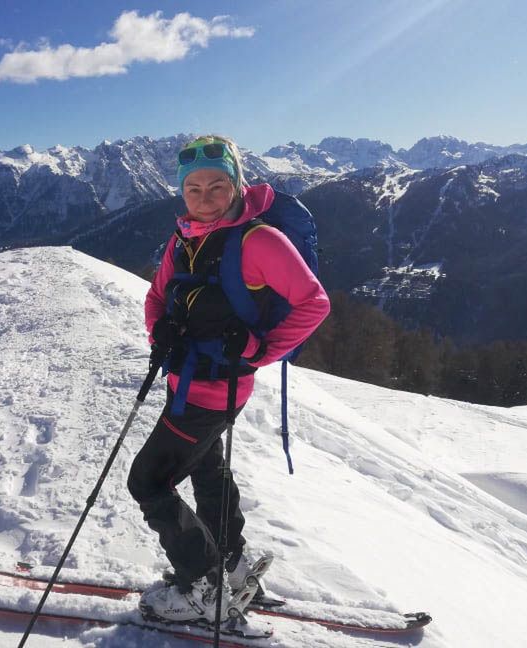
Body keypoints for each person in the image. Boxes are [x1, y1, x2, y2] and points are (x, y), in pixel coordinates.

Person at [127, 134, 330, 623]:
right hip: (186, 385)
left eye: (217, 186)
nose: (204, 198)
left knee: (149, 481)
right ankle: (233, 567)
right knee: (206, 469)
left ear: (237, 185)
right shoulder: (184, 239)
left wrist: (261, 351)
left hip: (216, 391)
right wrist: (163, 331)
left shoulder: (261, 241)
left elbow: (313, 303)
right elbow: (156, 298)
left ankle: (202, 586)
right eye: (193, 188)